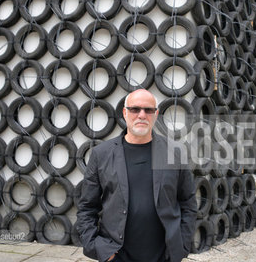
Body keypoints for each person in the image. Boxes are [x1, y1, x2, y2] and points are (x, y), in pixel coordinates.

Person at [76, 89, 197, 262]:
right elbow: (87, 207)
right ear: (125, 112)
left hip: (164, 256)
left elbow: (188, 202)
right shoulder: (101, 154)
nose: (142, 115)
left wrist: (183, 245)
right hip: (117, 255)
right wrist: (97, 248)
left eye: (148, 110)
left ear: (156, 114)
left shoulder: (175, 153)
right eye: (135, 109)